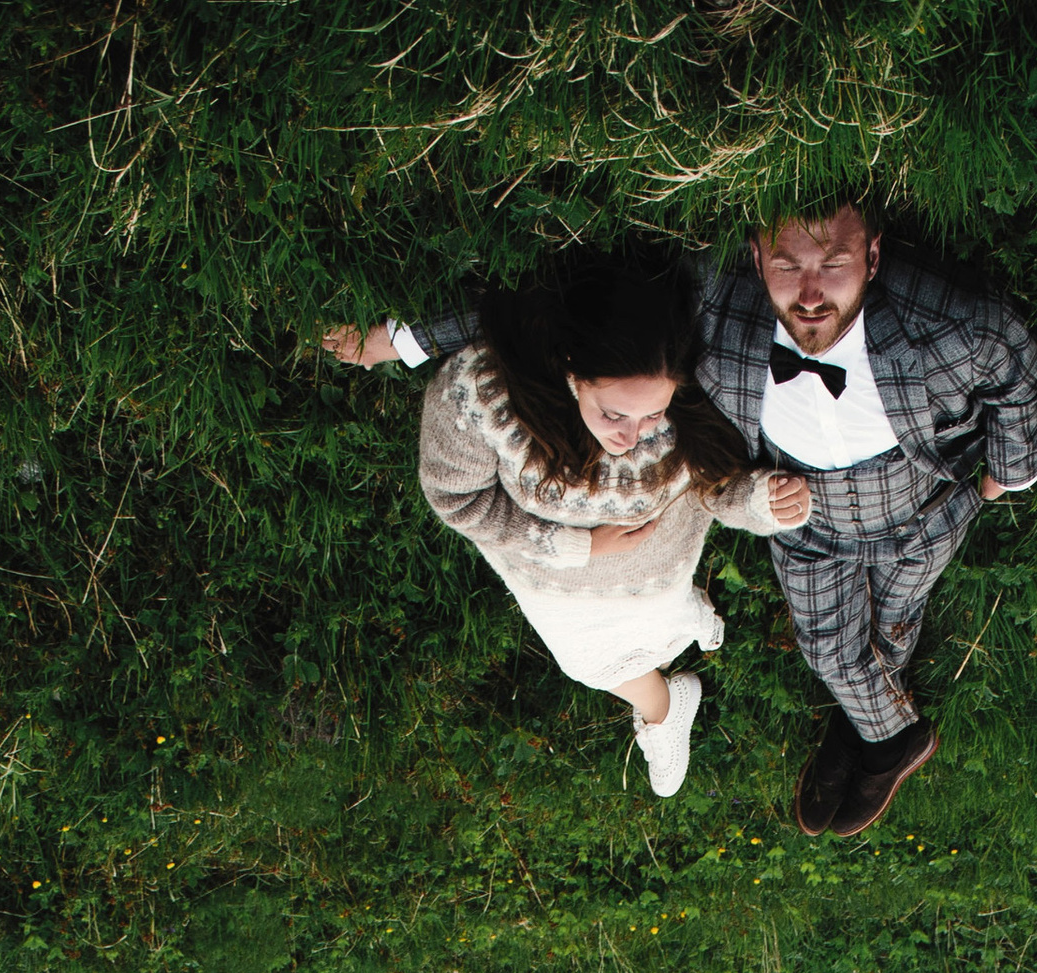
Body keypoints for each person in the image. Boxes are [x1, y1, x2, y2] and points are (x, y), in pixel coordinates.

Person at [342, 208, 1037, 836]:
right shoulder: (714, 301)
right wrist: (403, 340)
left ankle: (866, 732)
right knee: (828, 646)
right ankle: (886, 735)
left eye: (833, 264)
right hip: (802, 528)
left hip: (922, 505)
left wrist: (1010, 470)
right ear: (755, 255)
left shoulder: (942, 321)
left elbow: (1011, 358)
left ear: (873, 254)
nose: (808, 293)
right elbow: (535, 312)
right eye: (786, 265)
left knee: (897, 615)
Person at [324, 255, 809, 799]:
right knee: (589, 665)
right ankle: (666, 709)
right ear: (574, 370)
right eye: (613, 414)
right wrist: (575, 544)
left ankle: (666, 684)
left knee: (650, 639)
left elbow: (719, 489)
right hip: (552, 579)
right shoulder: (482, 395)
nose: (631, 436)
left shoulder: (691, 405)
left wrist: (765, 502)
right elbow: (456, 499)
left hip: (660, 575)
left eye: (651, 414)